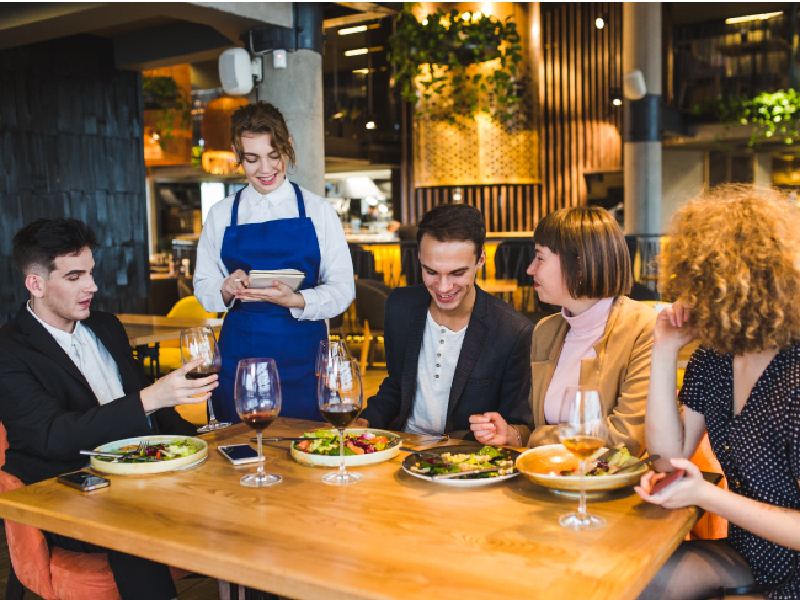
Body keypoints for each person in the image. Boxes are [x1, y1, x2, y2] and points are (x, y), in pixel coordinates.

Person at [0, 218, 217, 600]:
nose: (92, 287)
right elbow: (53, 436)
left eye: (92, 273)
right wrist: (151, 397)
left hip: (142, 473)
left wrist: (203, 443)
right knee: (131, 522)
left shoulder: (105, 325)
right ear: (35, 284)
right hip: (67, 487)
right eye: (74, 277)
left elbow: (156, 414)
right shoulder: (10, 349)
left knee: (244, 500)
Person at [636, 186, 800, 600]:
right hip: (751, 553)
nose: (690, 297)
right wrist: (665, 349)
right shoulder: (714, 357)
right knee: (631, 582)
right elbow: (666, 458)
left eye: (703, 284)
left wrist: (705, 494)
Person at [194, 102, 354, 423]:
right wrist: (225, 288)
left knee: (304, 451)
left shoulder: (318, 210)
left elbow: (342, 289)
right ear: (237, 154)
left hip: (304, 357)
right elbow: (203, 285)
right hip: (240, 356)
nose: (265, 169)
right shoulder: (221, 213)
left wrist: (296, 299)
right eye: (252, 159)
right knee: (242, 452)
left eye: (273, 155)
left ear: (287, 147)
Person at [471, 206, 656, 456]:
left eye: (540, 257)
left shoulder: (644, 329)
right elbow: (539, 427)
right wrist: (513, 435)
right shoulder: (545, 331)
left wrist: (534, 439)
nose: (530, 269)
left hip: (610, 486)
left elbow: (626, 439)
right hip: (551, 479)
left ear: (578, 265)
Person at [354, 204, 533, 442]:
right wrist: (365, 422)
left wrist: (510, 434)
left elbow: (520, 425)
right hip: (405, 447)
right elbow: (397, 385)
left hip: (469, 458)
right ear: (419, 256)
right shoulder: (400, 306)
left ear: (480, 260)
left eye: (457, 273)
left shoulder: (513, 331)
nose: (443, 287)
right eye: (431, 271)